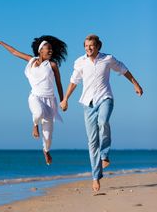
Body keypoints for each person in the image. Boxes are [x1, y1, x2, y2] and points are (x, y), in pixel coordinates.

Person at [60, 34, 143, 192]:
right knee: (92, 142)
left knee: (103, 122)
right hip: (87, 103)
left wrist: (136, 84)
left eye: (91, 45)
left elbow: (124, 70)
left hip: (105, 98)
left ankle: (104, 154)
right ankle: (95, 177)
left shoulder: (108, 59)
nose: (88, 48)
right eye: (86, 46)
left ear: (98, 46)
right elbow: (74, 81)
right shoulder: (80, 62)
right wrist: (65, 99)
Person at [0, 35, 67, 165]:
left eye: (51, 50)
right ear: (40, 50)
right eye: (48, 49)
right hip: (35, 97)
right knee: (37, 113)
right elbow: (15, 52)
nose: (50, 51)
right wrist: (2, 43)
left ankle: (46, 150)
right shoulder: (31, 60)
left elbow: (59, 84)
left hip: (49, 101)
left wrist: (63, 100)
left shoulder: (53, 65)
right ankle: (35, 125)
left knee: (48, 137)